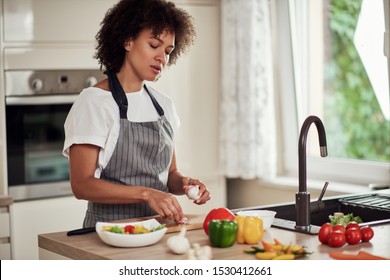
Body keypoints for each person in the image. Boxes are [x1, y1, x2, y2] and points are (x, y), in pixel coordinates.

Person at [63, 0, 210, 228]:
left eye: (168, 51)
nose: (162, 58)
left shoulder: (164, 105)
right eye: (154, 45)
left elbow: (169, 174)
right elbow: (82, 185)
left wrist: (185, 184)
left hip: (158, 230)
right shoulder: (94, 102)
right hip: (108, 233)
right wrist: (146, 194)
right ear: (127, 40)